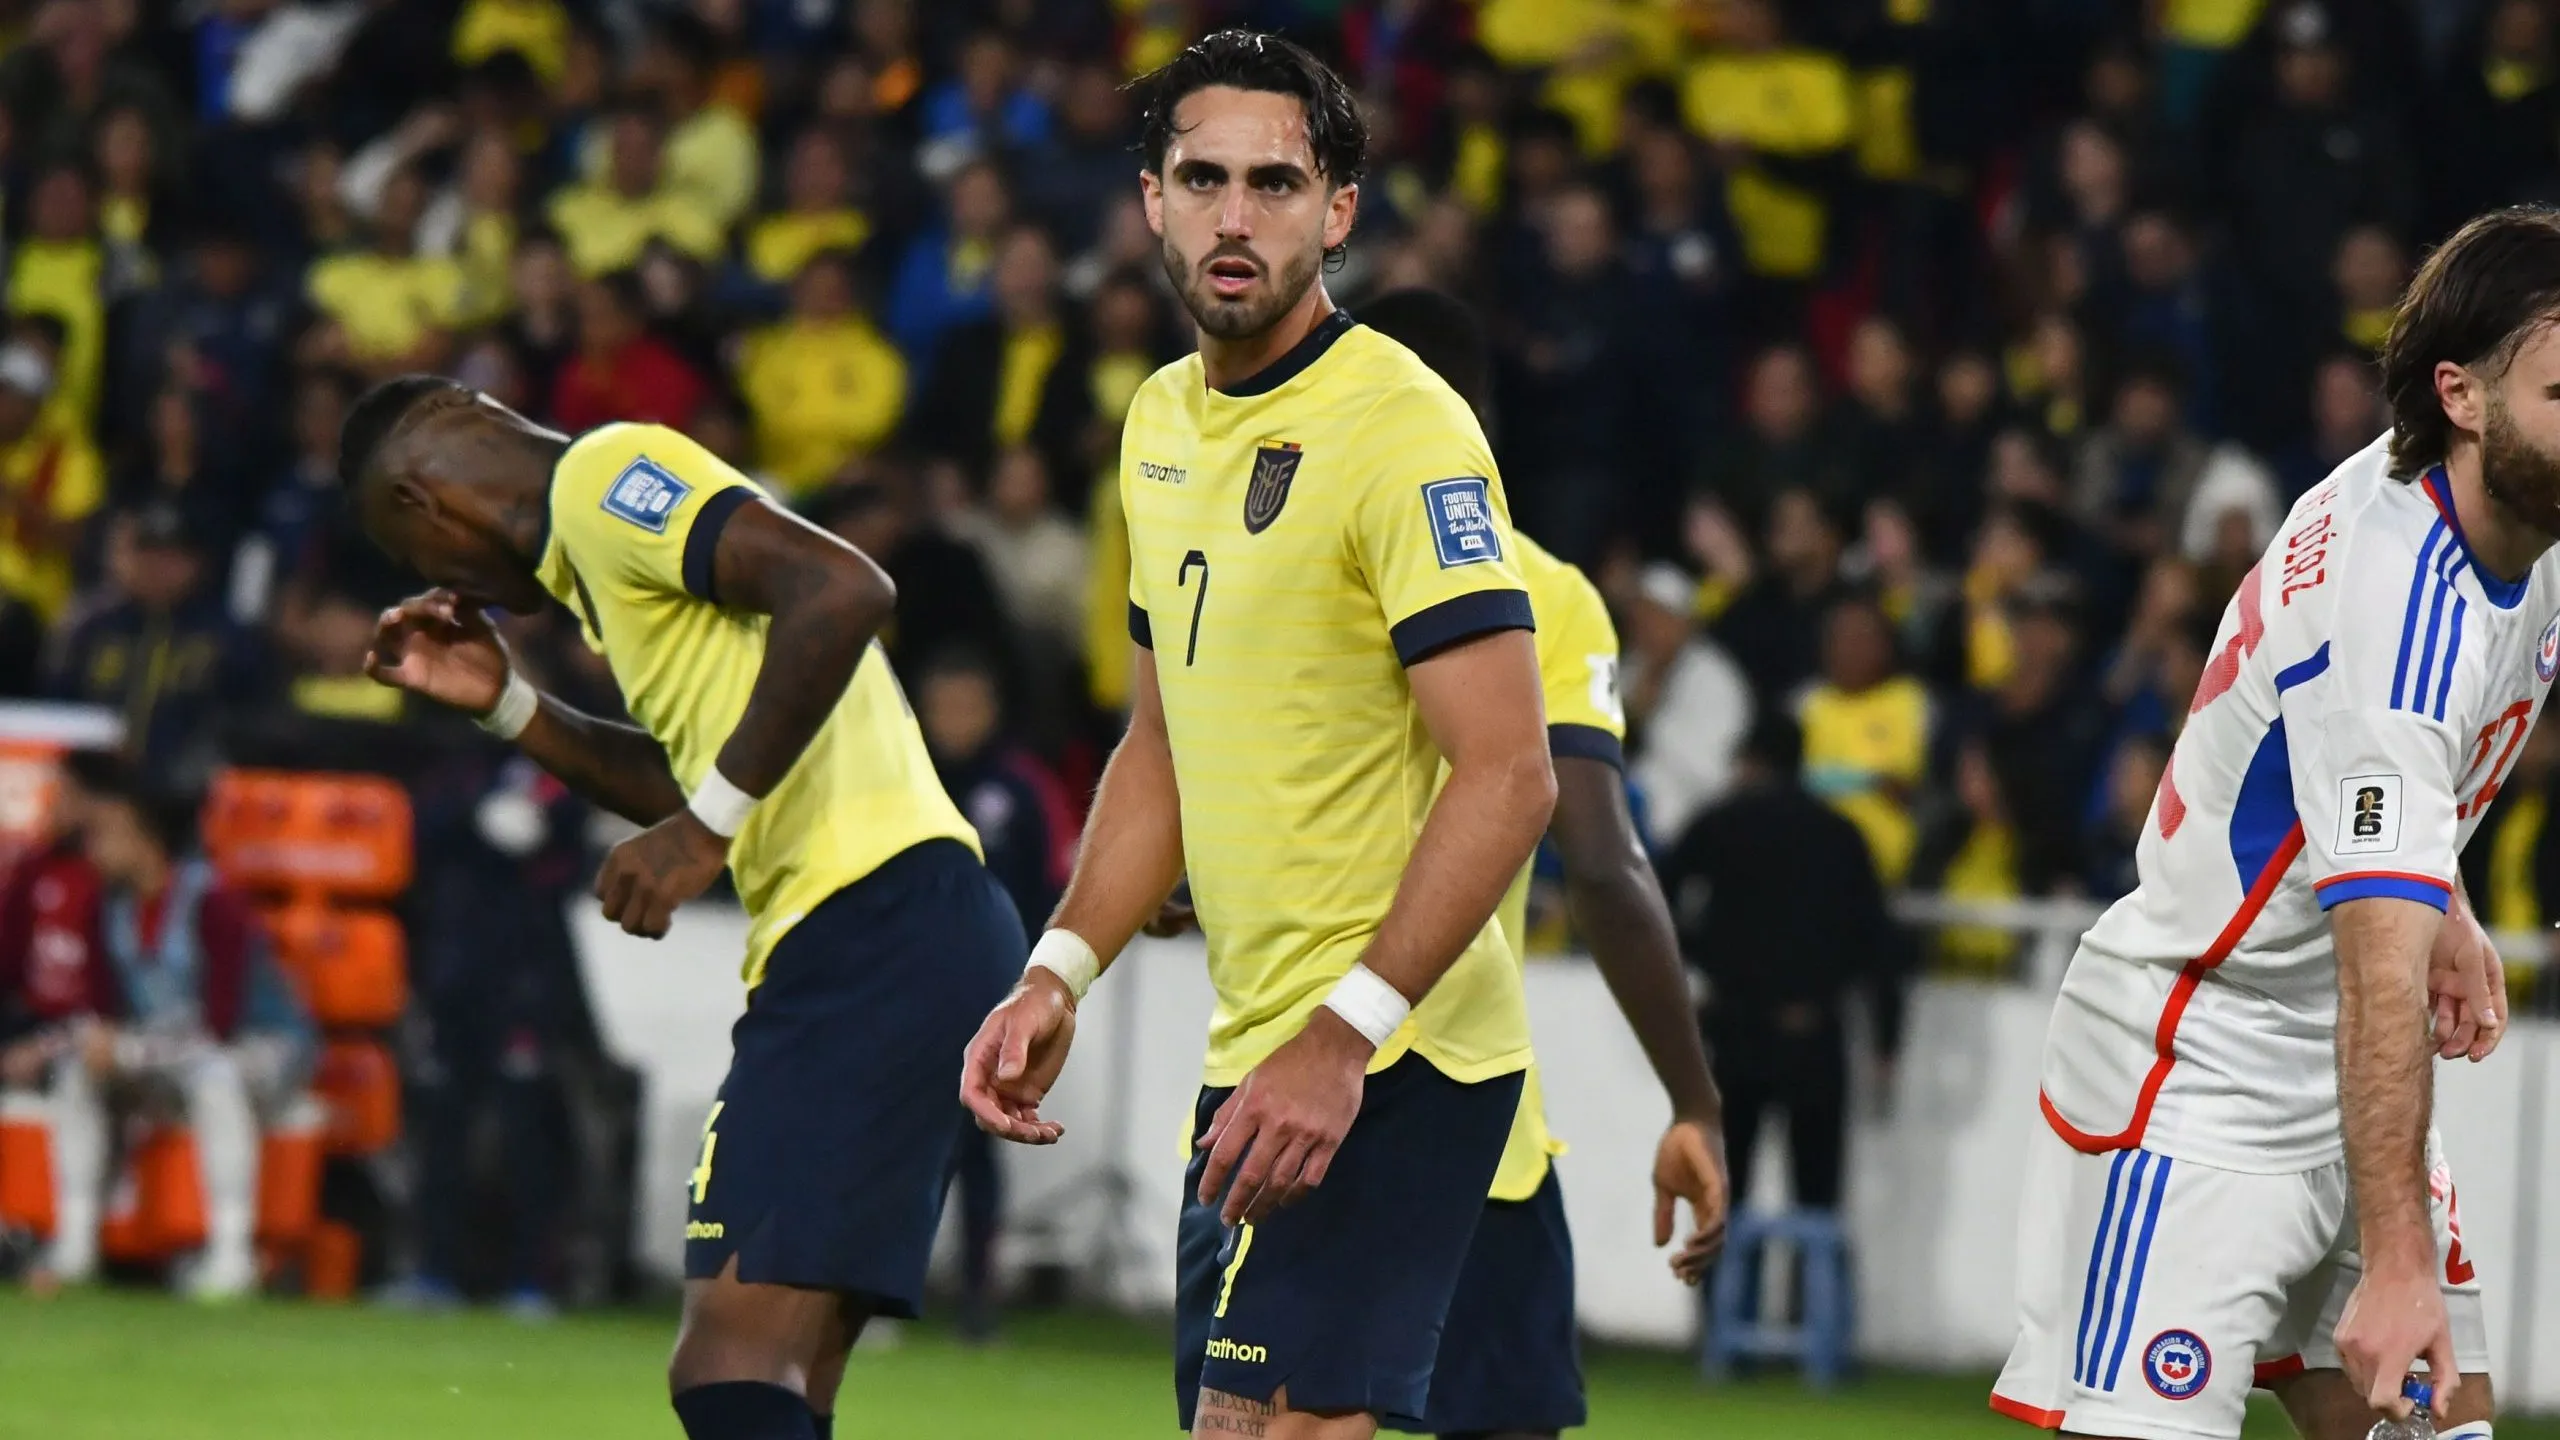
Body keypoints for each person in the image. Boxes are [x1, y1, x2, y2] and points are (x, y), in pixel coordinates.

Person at [958, 34, 1556, 1440]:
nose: (1236, 217)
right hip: (1258, 1051)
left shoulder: (1403, 429)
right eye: (1203, 179)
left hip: (1393, 1052)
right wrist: (1055, 970)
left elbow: (1512, 773)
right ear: (1150, 200)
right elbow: (1157, 747)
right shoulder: (1157, 424)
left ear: (1338, 211)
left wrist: (1343, 1039)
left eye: (1276, 184)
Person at [339, 372, 1023, 1440]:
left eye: (411, 556)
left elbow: (843, 588)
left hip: (875, 924)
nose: (444, 587)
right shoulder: (603, 563)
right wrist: (510, 705)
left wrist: (706, 829)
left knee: (727, 1366)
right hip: (897, 927)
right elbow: (698, 775)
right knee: (780, 1377)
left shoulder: (605, 478)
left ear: (421, 502)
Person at [1988, 206, 2560, 1440]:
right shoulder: (2397, 613)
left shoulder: (2488, 510)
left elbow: (2369, 770)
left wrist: (2443, 892)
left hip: (2343, 1052)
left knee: (2440, 1428)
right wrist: (2397, 1261)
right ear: (2461, 395)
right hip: (2209, 1058)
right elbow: (2372, 937)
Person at [1354, 285, 1729, 1440]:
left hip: (1269, 1105)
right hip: (1465, 1121)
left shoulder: (1272, 569)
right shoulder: (1542, 595)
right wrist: (1692, 1099)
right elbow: (1602, 867)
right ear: (1478, 423)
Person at [40, 768, 314, 1300]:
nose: (94, 849)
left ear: (146, 839)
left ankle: (231, 1255)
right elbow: (99, 1007)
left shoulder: (214, 901)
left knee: (216, 1077)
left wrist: (127, 1049)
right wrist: (96, 1042)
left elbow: (222, 1025)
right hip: (164, 1055)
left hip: (263, 1047)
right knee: (77, 1073)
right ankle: (75, 1247)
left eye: (107, 834)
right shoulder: (108, 907)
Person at [1659, 712, 1904, 1239]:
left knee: (1723, 1193)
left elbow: (1654, 898)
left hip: (1734, 1028)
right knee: (1816, 1201)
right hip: (1813, 1033)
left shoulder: (1720, 822)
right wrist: (1886, 1042)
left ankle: (1723, 1290)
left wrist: (1704, 959)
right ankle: (1806, 1291)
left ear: (1750, 761)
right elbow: (1879, 946)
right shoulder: (1841, 834)